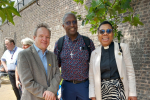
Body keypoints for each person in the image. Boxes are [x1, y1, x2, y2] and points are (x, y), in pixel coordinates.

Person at [89, 21, 137, 100]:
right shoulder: (94, 53)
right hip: (101, 92)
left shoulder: (122, 48)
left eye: (108, 31)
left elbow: (130, 71)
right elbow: (91, 77)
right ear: (98, 35)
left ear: (112, 34)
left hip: (119, 91)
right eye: (102, 31)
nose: (105, 33)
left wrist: (132, 93)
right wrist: (92, 95)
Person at [54, 12, 95, 100]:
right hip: (67, 86)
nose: (72, 25)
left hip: (84, 86)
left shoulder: (87, 42)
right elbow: (56, 66)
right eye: (68, 22)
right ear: (63, 26)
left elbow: (95, 64)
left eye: (74, 22)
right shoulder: (59, 44)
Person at [17, 23, 61, 100]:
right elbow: (27, 82)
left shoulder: (53, 56)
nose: (44, 39)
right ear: (34, 37)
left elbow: (57, 75)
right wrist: (47, 94)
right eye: (41, 36)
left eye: (47, 37)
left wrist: (51, 91)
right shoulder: (24, 55)